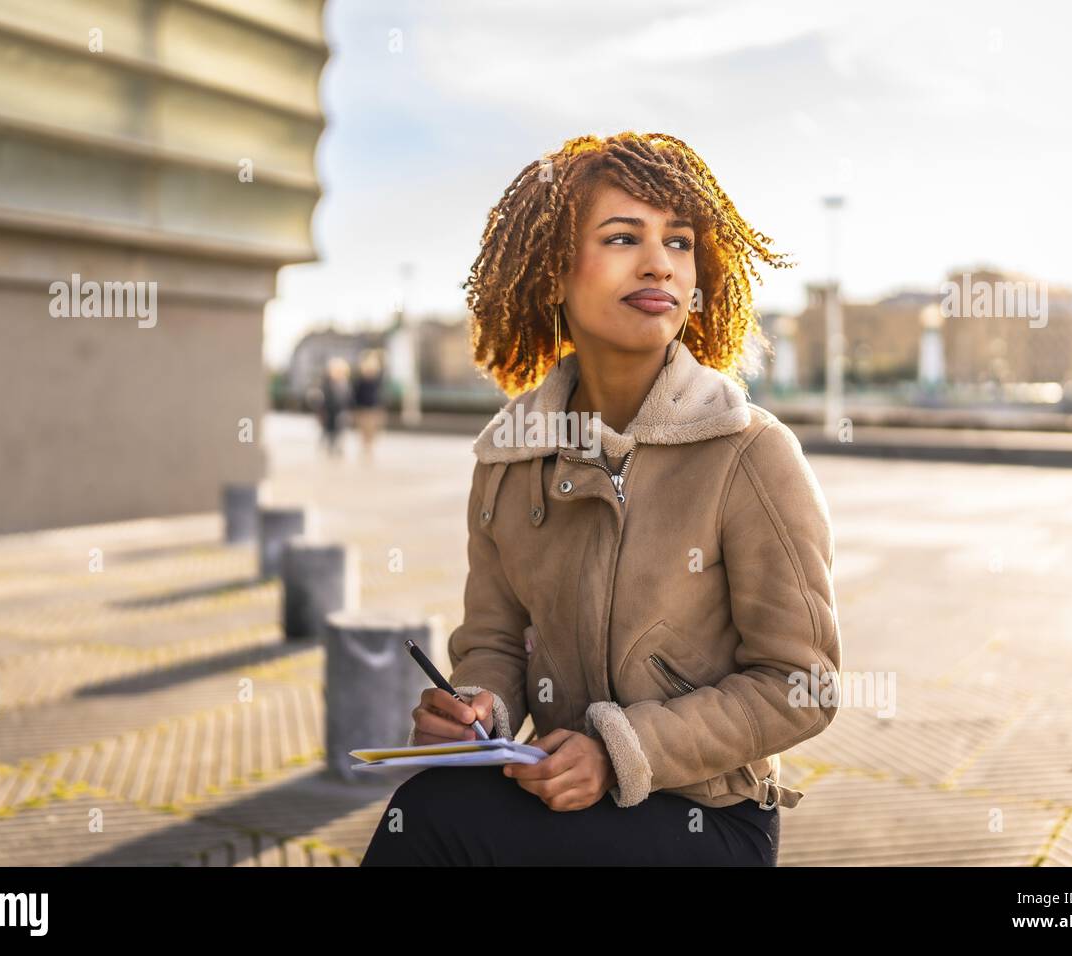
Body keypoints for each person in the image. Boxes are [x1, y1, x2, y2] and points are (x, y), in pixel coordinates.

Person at [361, 131, 842, 867]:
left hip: (704, 816)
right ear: (552, 275)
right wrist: (479, 709)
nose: (659, 263)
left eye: (679, 243)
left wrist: (621, 751)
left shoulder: (750, 452)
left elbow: (802, 686)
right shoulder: (508, 459)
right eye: (623, 237)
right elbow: (494, 640)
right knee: (426, 808)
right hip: (556, 794)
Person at [351, 350, 386, 465]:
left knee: (372, 430)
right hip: (363, 409)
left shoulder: (377, 380)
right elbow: (356, 394)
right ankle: (365, 447)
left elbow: (380, 394)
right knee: (364, 430)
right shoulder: (360, 380)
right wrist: (355, 408)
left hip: (373, 409)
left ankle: (369, 447)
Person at [318, 356, 353, 457]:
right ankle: (329, 446)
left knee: (341, 431)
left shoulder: (346, 383)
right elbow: (323, 399)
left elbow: (349, 398)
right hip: (329, 412)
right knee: (329, 431)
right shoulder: (326, 384)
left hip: (342, 412)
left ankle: (338, 448)